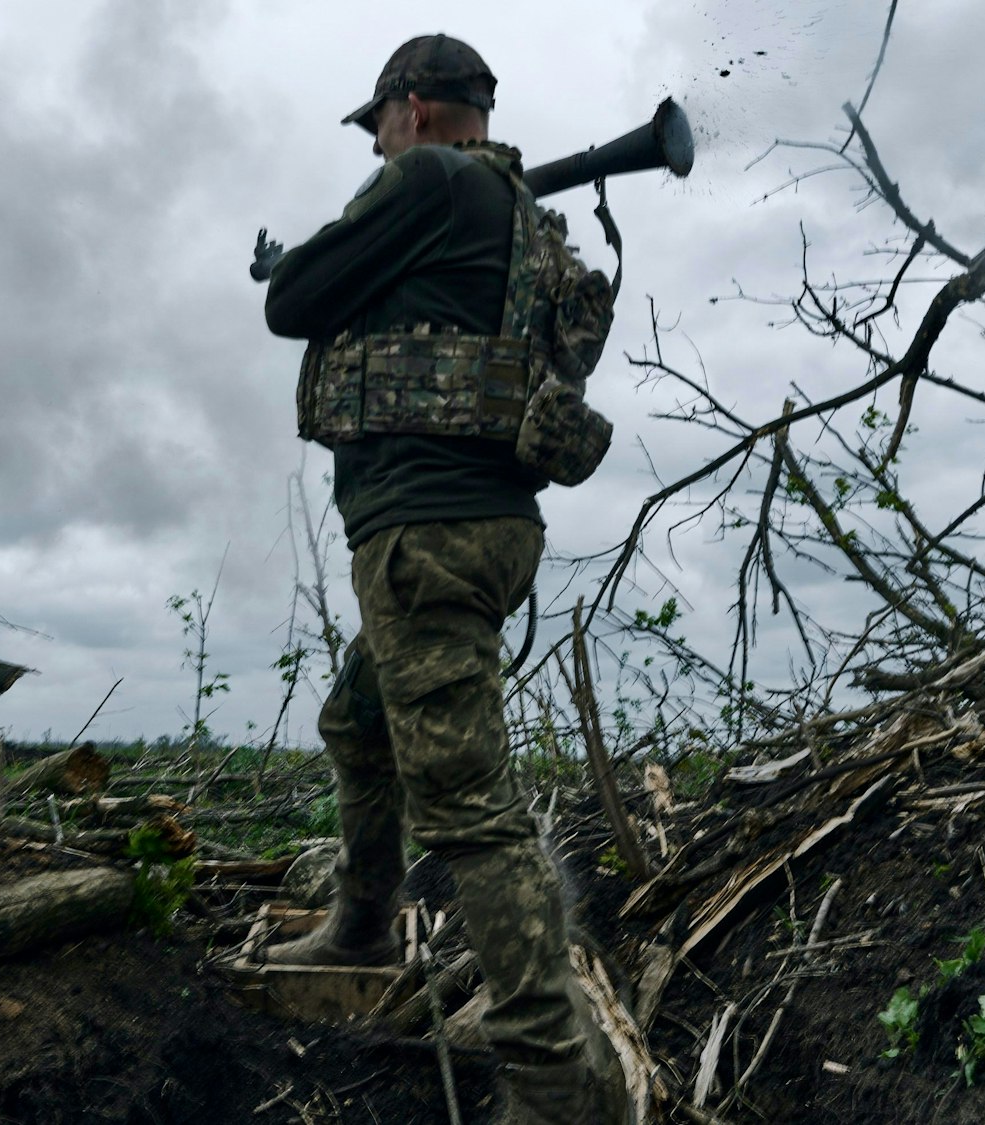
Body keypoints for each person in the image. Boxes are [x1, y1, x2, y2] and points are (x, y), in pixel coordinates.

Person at [258, 34, 627, 1125]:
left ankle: (556, 1082)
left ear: (411, 110)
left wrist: (306, 258)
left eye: (374, 124)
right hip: (479, 527)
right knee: (356, 720)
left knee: (467, 809)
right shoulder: (510, 213)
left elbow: (292, 300)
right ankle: (361, 922)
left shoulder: (422, 179)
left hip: (425, 530)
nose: (373, 143)